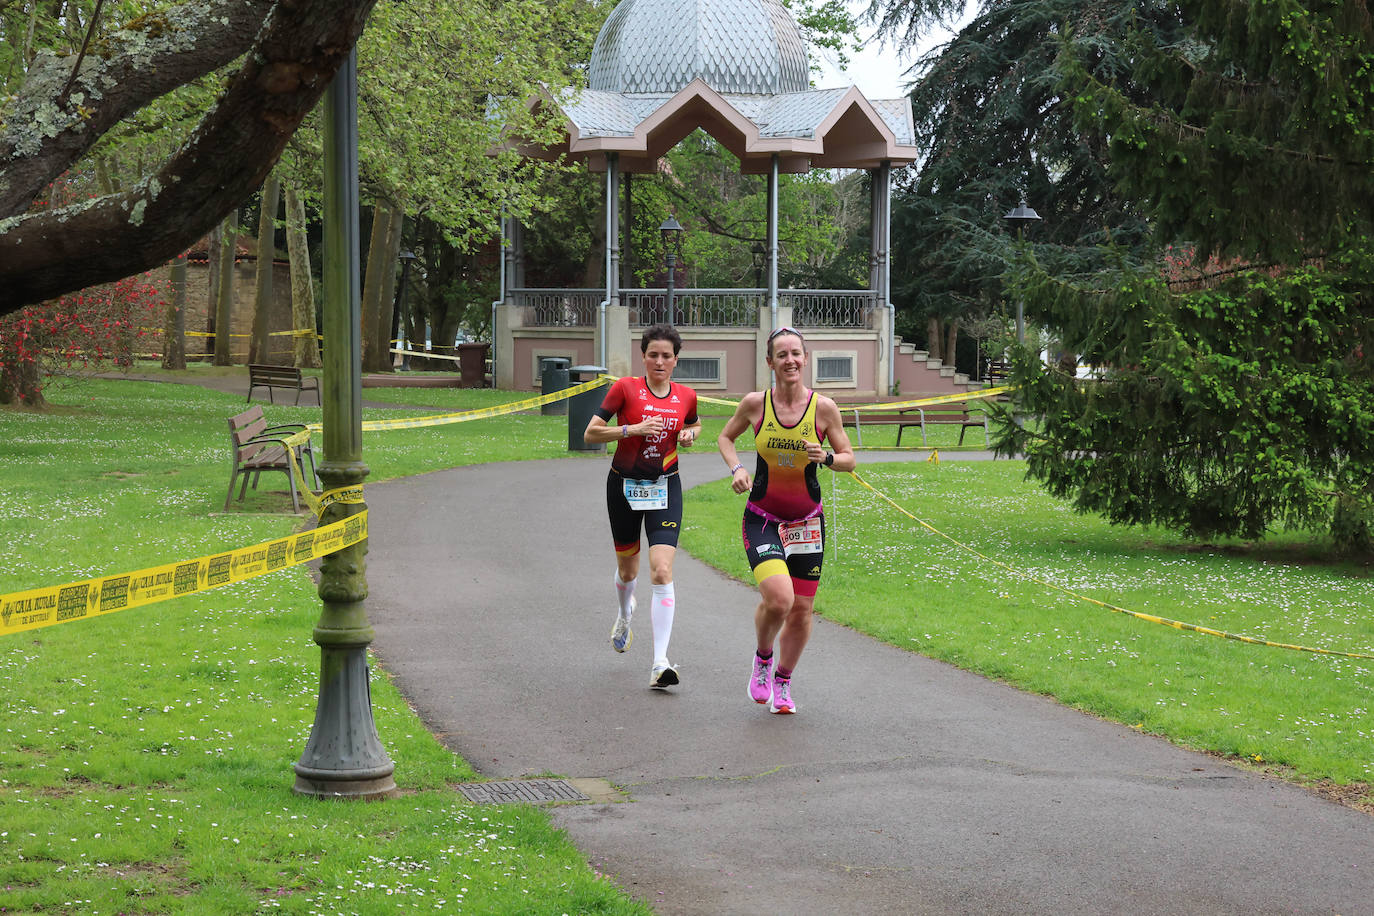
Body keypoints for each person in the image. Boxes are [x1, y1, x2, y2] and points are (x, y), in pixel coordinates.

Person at [716, 326, 854, 714]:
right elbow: (726, 438)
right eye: (782, 354)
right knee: (779, 600)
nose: (790, 360)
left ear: (805, 358)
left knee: (802, 611)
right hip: (763, 516)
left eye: (796, 353)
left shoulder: (824, 408)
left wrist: (825, 457)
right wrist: (737, 469)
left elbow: (848, 458)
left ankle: (783, 680)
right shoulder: (754, 404)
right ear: (770, 362)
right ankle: (762, 660)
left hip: (807, 520)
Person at [584, 324, 702, 689]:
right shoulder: (625, 389)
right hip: (623, 486)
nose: (660, 362)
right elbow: (590, 433)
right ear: (644, 357)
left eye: (667, 356)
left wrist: (689, 435)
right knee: (629, 571)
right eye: (654, 355)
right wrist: (631, 430)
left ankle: (660, 662)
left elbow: (695, 425)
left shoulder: (686, 395)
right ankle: (625, 613)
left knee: (662, 571)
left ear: (676, 360)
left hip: (665, 486)